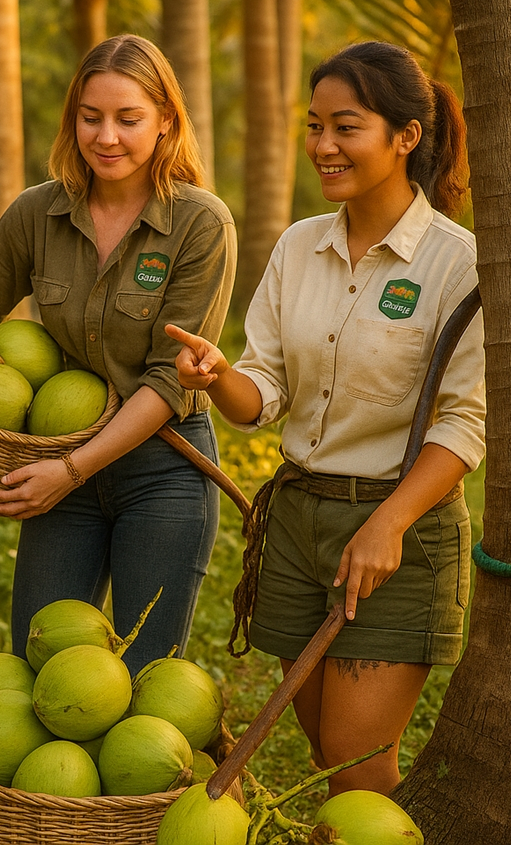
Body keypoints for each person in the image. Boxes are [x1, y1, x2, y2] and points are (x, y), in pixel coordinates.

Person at [167, 41, 485, 796]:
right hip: (299, 522)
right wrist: (218, 377)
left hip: (398, 526)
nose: (323, 146)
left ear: (406, 136)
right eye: (314, 126)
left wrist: (389, 525)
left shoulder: (456, 262)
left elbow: (463, 425)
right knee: (324, 747)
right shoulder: (298, 245)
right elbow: (263, 391)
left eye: (346, 127)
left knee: (355, 758)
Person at [0, 34, 238, 677]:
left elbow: (171, 381)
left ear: (166, 121)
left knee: (143, 678)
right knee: (41, 662)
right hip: (60, 455)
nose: (106, 136)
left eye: (128, 119)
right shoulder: (37, 213)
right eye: (91, 118)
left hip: (165, 467)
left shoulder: (201, 222)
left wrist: (75, 468)